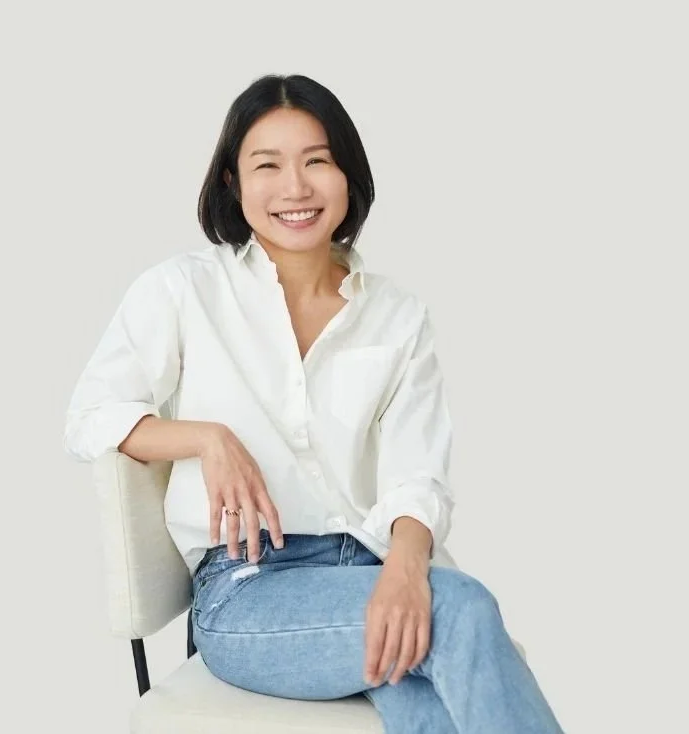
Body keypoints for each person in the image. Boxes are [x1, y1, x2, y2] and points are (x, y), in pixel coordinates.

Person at [64, 73, 565, 734]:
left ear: (347, 176)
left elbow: (417, 474)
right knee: (463, 613)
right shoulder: (183, 291)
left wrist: (406, 571)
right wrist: (204, 438)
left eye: (316, 161)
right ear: (230, 184)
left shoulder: (396, 315)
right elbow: (90, 414)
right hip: (248, 595)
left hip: (371, 569)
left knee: (433, 706)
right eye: (266, 165)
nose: (295, 188)